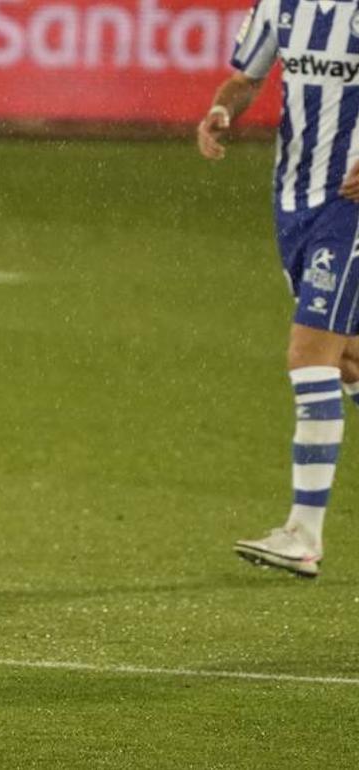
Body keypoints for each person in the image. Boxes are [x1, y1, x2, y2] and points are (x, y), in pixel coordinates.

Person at [199, 2, 359, 579]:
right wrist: (222, 108)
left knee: (309, 354)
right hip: (293, 204)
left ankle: (304, 533)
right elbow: (246, 77)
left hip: (351, 206)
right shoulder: (280, 6)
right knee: (348, 359)